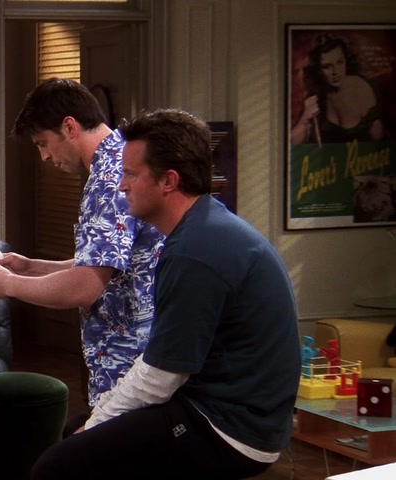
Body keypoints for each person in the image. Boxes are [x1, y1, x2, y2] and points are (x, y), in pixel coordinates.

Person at [30, 108, 301, 479]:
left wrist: (96, 425)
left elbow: (160, 376)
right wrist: (95, 420)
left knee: (55, 467)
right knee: (75, 432)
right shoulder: (202, 226)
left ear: (169, 181)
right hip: (217, 404)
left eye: (131, 174)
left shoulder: (196, 251)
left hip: (231, 428)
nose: (121, 186)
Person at [0, 78, 164, 430]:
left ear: (70, 127)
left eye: (43, 143)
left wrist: (9, 285)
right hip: (129, 354)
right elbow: (108, 263)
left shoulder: (108, 180)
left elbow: (85, 286)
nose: (44, 156)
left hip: (130, 359)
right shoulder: (117, 164)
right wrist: (31, 267)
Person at [290, 33, 387, 145]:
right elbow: (291, 143)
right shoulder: (316, 96)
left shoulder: (365, 90)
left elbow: (379, 144)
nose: (335, 72)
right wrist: (305, 119)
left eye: (339, 62)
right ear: (318, 69)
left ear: (346, 60)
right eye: (327, 66)